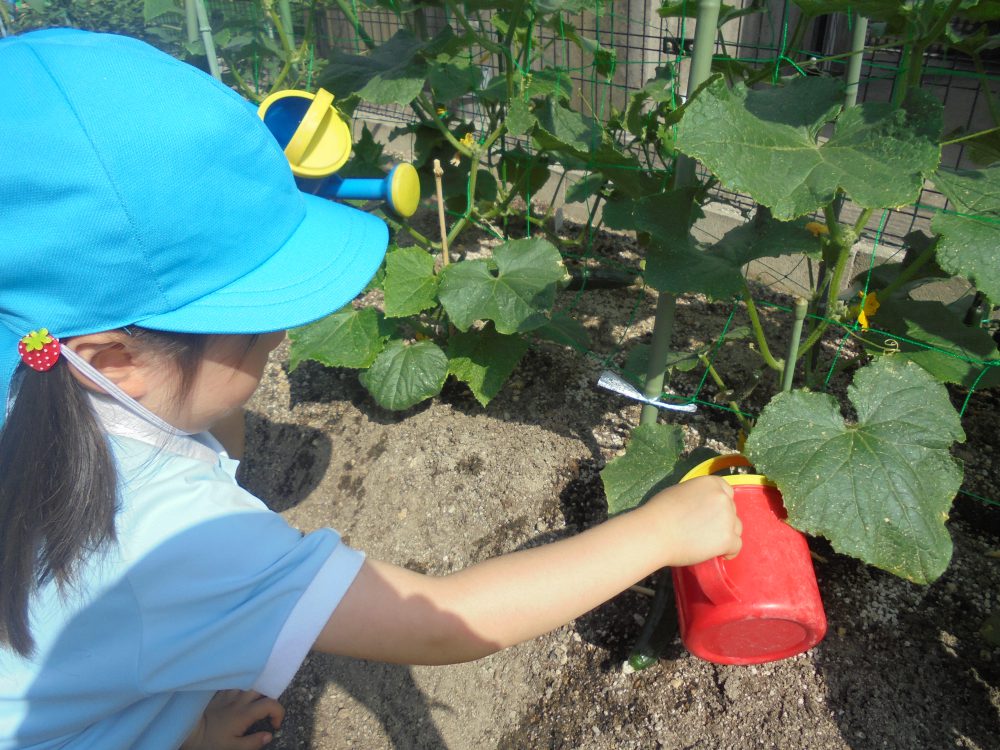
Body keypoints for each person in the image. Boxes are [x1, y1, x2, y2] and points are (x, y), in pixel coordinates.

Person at [0, 28, 742, 750]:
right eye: (256, 326)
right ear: (114, 359)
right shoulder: (173, 542)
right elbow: (445, 622)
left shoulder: (36, 359)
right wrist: (661, 532)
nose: (279, 339)